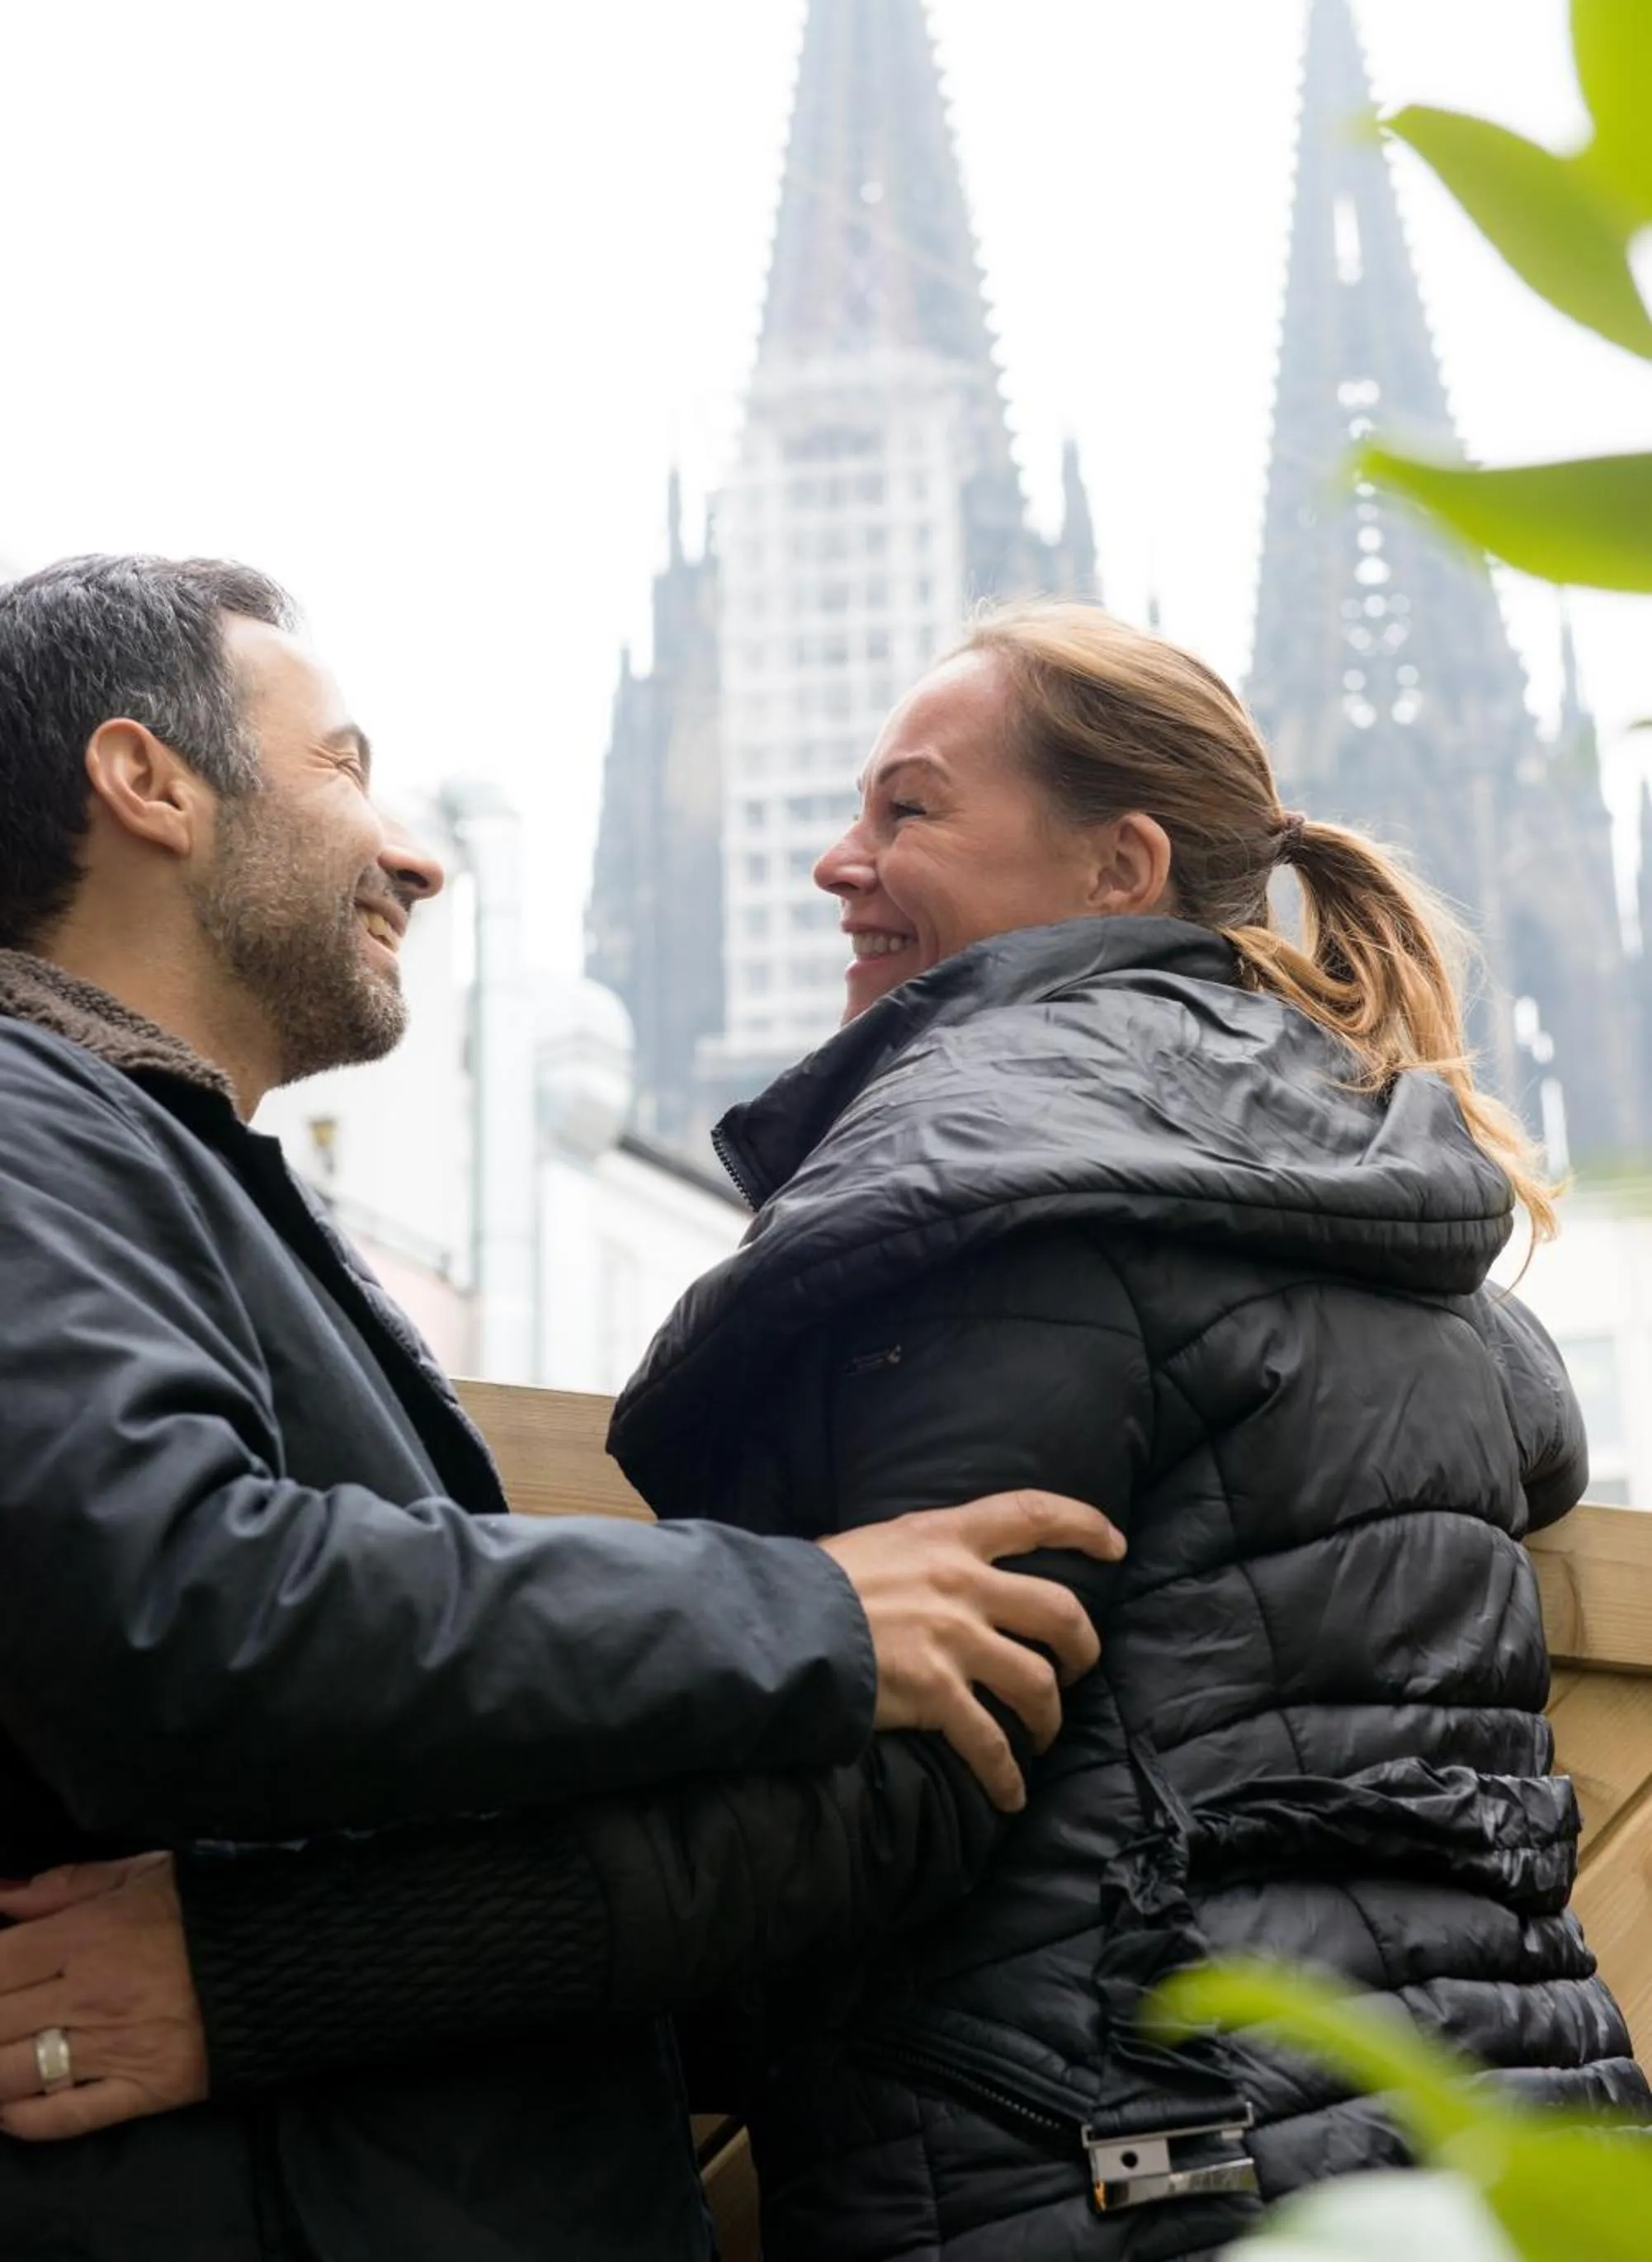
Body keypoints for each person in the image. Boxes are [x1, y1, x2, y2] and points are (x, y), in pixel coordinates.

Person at [2, 601, 1642, 2254]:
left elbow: (889, 1798)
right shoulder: (1360, 1200)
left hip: (1139, 2177)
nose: (832, 864)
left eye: (906, 809)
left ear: (1115, 867)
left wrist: (269, 1974)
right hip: (1505, 2148)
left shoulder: (1015, 1176)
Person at [0, 557, 1127, 2262]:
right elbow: (171, 1602)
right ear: (147, 782)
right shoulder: (27, 1129)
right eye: (344, 767)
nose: (414, 851)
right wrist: (807, 1606)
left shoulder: (151, 1163)